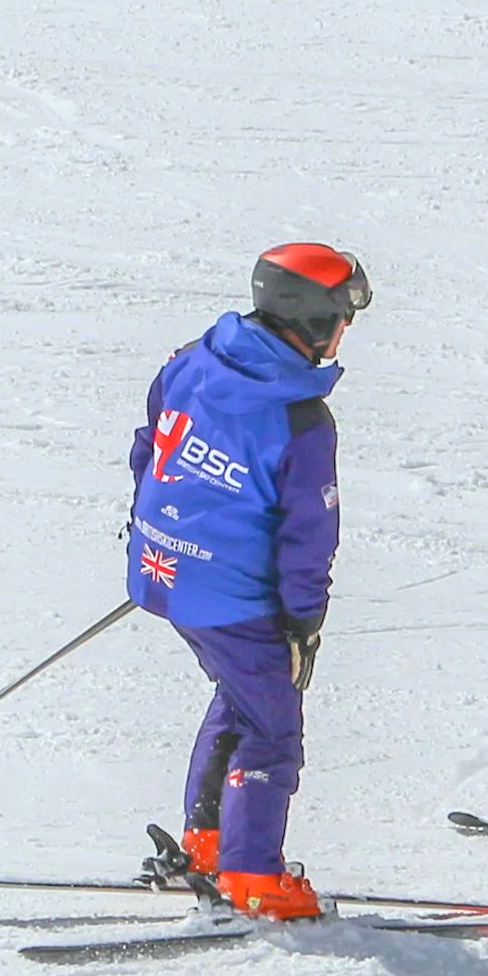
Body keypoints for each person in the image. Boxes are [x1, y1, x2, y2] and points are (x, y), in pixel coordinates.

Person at [125, 243, 369, 921]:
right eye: (343, 317)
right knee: (272, 726)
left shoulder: (188, 363)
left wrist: (157, 533)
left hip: (164, 577)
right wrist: (303, 620)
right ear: (315, 320)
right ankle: (253, 876)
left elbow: (152, 448)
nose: (346, 332)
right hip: (234, 599)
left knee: (241, 693)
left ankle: (209, 841)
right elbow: (306, 538)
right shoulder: (298, 419)